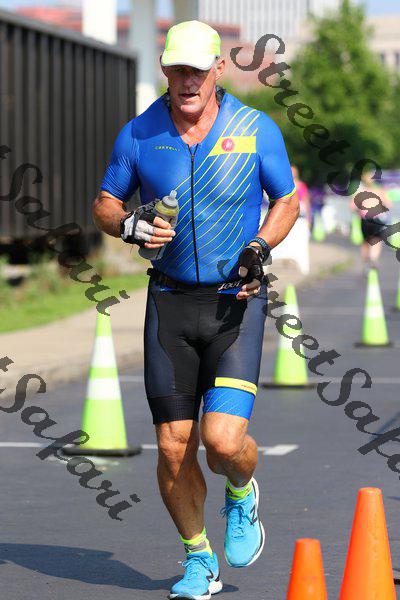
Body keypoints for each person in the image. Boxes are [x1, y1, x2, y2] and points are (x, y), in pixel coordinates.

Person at [93, 20, 299, 600]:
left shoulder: (254, 129)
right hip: (170, 305)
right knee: (172, 446)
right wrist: (128, 225)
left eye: (198, 71)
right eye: (177, 70)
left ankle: (241, 491)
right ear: (165, 70)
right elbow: (105, 203)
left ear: (218, 70)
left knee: (224, 443)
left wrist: (259, 247)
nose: (187, 81)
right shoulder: (139, 133)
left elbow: (286, 199)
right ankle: (199, 559)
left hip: (235, 305)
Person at [350, 171, 391, 271]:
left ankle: (365, 264)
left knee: (365, 242)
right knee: (376, 240)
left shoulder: (360, 192)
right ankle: (373, 259)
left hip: (365, 219)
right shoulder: (380, 191)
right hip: (377, 219)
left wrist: (360, 211)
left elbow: (352, 207)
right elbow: (388, 204)